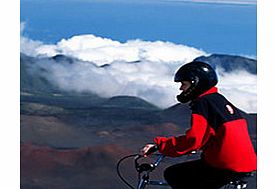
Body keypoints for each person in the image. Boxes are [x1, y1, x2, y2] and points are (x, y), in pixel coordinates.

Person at [141, 61, 257, 189]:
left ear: (195, 83)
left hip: (226, 165)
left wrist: (161, 145)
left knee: (174, 174)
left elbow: (193, 140)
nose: (181, 89)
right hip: (245, 164)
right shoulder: (219, 100)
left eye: (183, 84)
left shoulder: (203, 103)